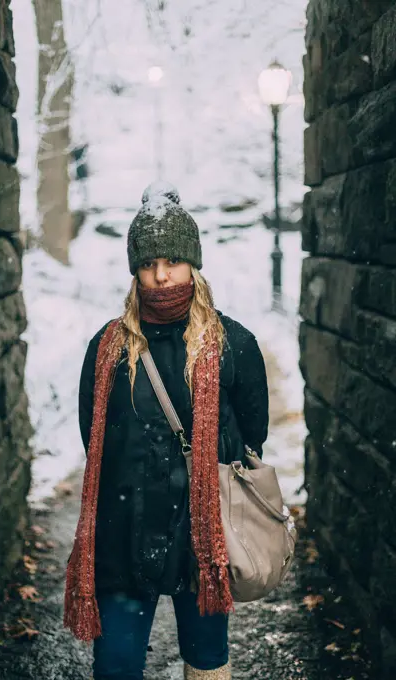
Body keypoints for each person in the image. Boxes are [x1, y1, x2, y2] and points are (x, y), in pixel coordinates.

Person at [64, 181, 269, 679]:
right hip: (122, 533)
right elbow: (94, 435)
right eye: (149, 264)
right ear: (134, 270)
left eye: (172, 262)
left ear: (193, 264)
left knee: (204, 661)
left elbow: (251, 436)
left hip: (202, 538)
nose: (161, 276)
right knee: (116, 664)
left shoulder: (232, 344)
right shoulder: (108, 347)